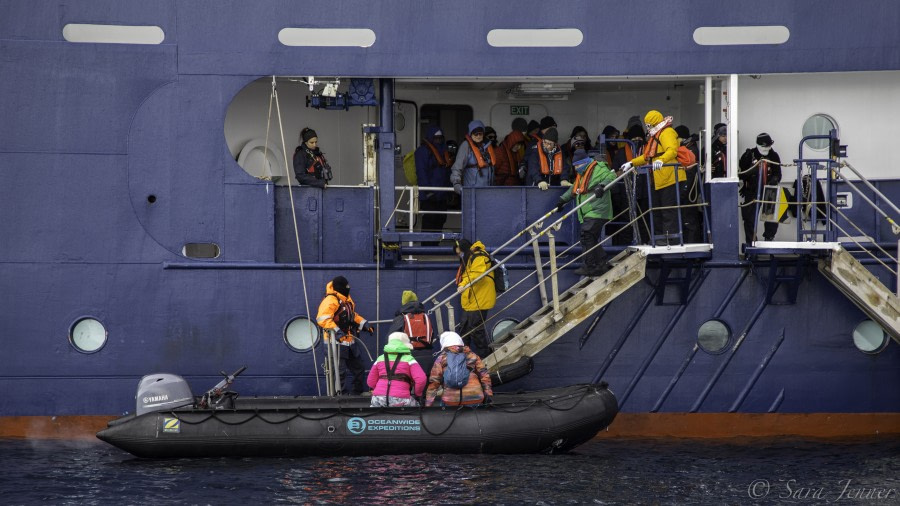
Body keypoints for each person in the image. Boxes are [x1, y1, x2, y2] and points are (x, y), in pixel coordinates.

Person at [618, 110, 688, 246]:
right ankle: (660, 237)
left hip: (670, 178)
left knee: (668, 209)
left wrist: (661, 160)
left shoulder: (667, 133)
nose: (648, 128)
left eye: (649, 125)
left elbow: (672, 150)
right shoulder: (655, 136)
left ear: (655, 123)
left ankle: (670, 238)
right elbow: (646, 157)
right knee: (656, 210)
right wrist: (632, 163)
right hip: (658, 179)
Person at [555, 149, 618, 276]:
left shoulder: (598, 168)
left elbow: (611, 176)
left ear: (584, 162)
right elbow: (574, 189)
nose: (576, 168)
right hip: (590, 211)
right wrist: (562, 201)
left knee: (586, 235)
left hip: (597, 210)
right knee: (590, 238)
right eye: (575, 166)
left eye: (578, 165)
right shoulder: (583, 174)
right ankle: (601, 263)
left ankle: (590, 266)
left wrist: (601, 186)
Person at [316, 276, 373, 395]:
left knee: (359, 368)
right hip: (335, 343)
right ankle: (340, 397)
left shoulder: (346, 300)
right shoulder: (331, 300)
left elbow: (351, 315)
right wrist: (337, 331)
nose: (348, 289)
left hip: (349, 341)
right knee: (339, 372)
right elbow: (323, 319)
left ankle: (356, 393)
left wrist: (364, 324)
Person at [424, 331, 493, 407]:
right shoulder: (473, 356)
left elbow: (434, 382)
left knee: (443, 407)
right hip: (475, 398)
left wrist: (428, 404)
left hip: (451, 401)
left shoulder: (441, 358)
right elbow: (484, 376)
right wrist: (488, 394)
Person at [454, 239, 495, 358]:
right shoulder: (470, 258)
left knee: (476, 329)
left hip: (480, 298)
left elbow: (476, 274)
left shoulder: (478, 257)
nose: (459, 256)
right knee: (464, 328)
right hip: (472, 299)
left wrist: (463, 284)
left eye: (460, 253)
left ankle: (485, 355)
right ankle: (463, 356)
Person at [739, 133, 782, 246]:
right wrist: (750, 172)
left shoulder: (774, 156)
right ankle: (751, 242)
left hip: (770, 190)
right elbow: (741, 173)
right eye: (763, 146)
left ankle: (769, 238)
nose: (766, 148)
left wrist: (775, 179)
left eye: (768, 146)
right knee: (749, 218)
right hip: (751, 191)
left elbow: (778, 173)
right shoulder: (749, 155)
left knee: (771, 218)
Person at [366, 332, 427, 407]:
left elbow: (370, 382)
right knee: (418, 407)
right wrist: (418, 394)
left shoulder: (380, 359)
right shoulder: (409, 359)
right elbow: (421, 379)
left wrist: (381, 390)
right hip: (401, 399)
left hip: (378, 399)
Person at [414, 125, 452, 241]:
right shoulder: (422, 152)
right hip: (429, 196)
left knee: (440, 220)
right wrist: (428, 192)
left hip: (442, 195)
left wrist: (450, 192)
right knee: (429, 222)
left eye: (440, 138)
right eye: (436, 138)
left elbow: (447, 172)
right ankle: (426, 248)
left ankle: (435, 246)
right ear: (430, 138)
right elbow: (421, 173)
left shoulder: (444, 151)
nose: (438, 140)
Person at [675, 125, 704, 243]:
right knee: (688, 218)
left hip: (688, 191)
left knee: (689, 219)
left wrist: (683, 191)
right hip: (688, 189)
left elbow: (690, 174)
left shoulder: (690, 151)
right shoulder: (689, 148)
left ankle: (691, 243)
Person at [450, 120, 496, 193]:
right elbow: (457, 167)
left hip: (488, 191)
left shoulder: (487, 146)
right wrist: (456, 183)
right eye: (475, 134)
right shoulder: (466, 146)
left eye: (480, 134)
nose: (478, 136)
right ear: (470, 134)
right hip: (472, 191)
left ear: (483, 134)